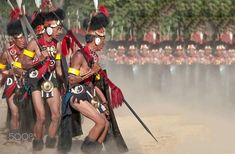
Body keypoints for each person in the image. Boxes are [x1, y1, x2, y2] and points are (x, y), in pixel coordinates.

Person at [19, 8, 65, 150]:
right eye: (58, 28)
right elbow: (23, 63)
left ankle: (50, 143)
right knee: (41, 117)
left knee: (56, 116)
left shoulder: (57, 44)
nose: (60, 31)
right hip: (37, 81)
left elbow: (57, 67)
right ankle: (37, 144)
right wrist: (38, 60)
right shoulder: (34, 43)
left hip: (51, 79)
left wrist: (64, 82)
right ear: (49, 29)